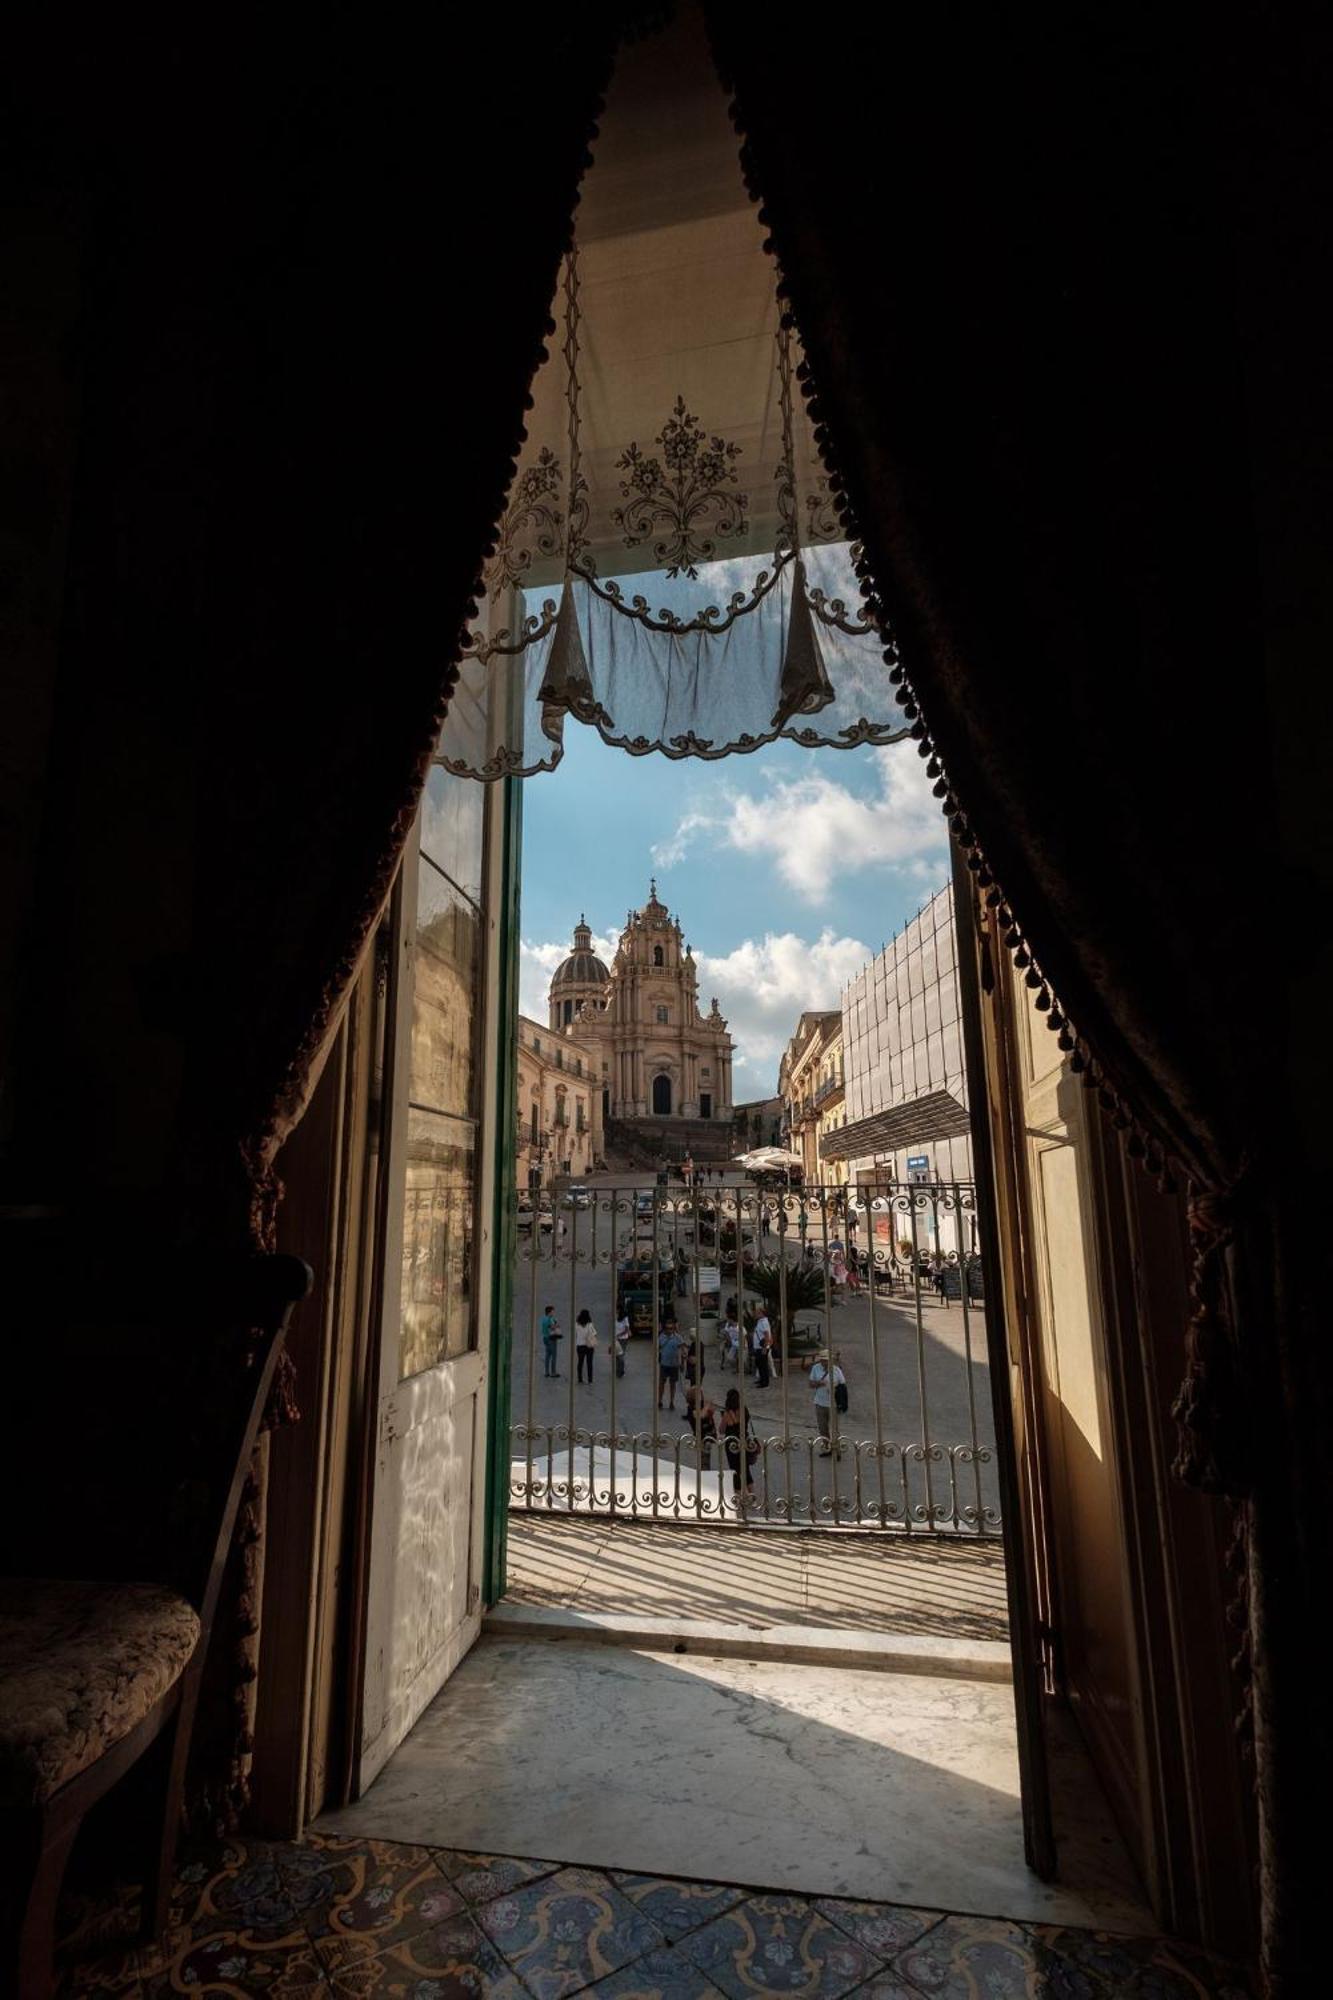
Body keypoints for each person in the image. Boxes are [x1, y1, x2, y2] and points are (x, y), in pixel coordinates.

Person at [720, 1388, 759, 1500]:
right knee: (745, 1469)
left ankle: (739, 1497)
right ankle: (752, 1496)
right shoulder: (744, 1410)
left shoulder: (728, 1413)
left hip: (732, 1443)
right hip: (744, 1440)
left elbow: (721, 1430)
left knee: (735, 1470)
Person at [807, 1349, 847, 1453]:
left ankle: (836, 1449)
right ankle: (827, 1447)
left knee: (834, 1429)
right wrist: (820, 1383)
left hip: (833, 1403)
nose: (824, 1362)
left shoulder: (836, 1370)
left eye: (826, 1360)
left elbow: (843, 1386)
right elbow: (810, 1384)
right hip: (820, 1403)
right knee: (822, 1428)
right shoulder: (816, 1368)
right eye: (823, 1360)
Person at [658, 1322, 684, 1409]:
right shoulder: (661, 1337)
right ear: (665, 1329)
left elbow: (681, 1351)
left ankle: (672, 1402)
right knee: (662, 1383)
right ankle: (660, 1400)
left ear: (673, 1329)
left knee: (672, 1384)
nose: (669, 1330)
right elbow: (657, 1348)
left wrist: (681, 1363)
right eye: (667, 1328)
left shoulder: (678, 1338)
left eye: (671, 1328)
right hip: (664, 1364)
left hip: (674, 1365)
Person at [750, 1309, 772, 1389]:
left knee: (763, 1365)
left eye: (757, 1313)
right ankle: (762, 1379)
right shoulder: (760, 1321)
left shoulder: (764, 1322)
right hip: (758, 1347)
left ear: (761, 1313)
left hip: (762, 1347)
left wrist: (765, 1348)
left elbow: (767, 1335)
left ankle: (765, 1383)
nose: (755, 1314)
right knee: (759, 1364)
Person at [574, 1307, 597, 1384]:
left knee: (580, 1362)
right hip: (589, 1346)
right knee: (589, 1363)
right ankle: (590, 1380)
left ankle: (580, 1379)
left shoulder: (577, 1324)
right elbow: (594, 1334)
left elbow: (576, 1333)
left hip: (580, 1345)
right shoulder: (590, 1325)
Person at [540, 1304, 562, 1378]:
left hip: (545, 1338)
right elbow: (551, 1327)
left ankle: (546, 1372)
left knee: (547, 1355)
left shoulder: (543, 1318)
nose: (553, 1313)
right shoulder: (549, 1319)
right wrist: (557, 1326)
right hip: (551, 1338)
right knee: (554, 1355)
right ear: (549, 1312)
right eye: (552, 1312)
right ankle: (553, 1372)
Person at [614, 1308, 631, 1377]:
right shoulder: (615, 1317)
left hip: (623, 1339)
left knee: (621, 1355)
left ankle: (621, 1371)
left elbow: (627, 1329)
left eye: (617, 1309)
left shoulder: (625, 1319)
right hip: (616, 1339)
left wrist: (619, 1335)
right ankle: (618, 1370)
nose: (616, 1311)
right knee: (617, 1356)